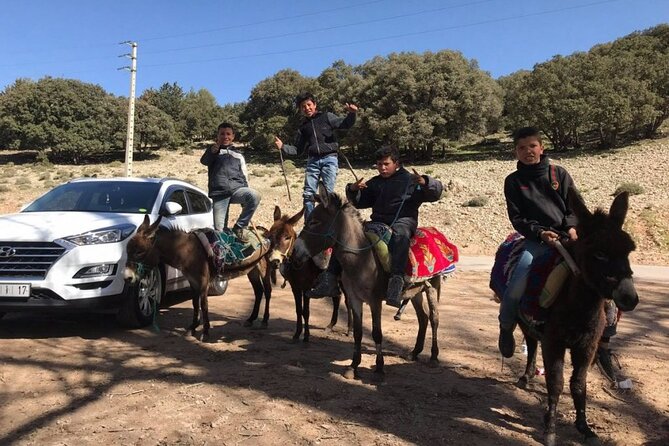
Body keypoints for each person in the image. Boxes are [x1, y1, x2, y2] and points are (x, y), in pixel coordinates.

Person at [308, 145, 443, 308]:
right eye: (379, 164)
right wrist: (353, 189)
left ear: (396, 163)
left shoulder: (411, 181)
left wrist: (426, 182)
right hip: (378, 222)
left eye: (386, 164)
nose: (382, 168)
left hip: (403, 221)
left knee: (400, 236)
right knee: (348, 237)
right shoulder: (375, 182)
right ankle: (329, 279)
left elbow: (435, 194)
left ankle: (396, 282)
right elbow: (360, 202)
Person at [498, 126, 578, 358]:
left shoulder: (558, 174)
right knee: (517, 281)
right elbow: (517, 218)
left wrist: (572, 227)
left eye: (532, 146)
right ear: (516, 152)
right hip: (537, 240)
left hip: (567, 236)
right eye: (521, 148)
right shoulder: (513, 182)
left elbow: (574, 206)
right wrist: (540, 233)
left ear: (542, 148)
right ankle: (506, 326)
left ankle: (605, 333)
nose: (527, 151)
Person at [274, 92, 358, 221]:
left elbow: (345, 124)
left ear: (314, 105)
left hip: (330, 159)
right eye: (303, 106)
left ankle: (327, 223)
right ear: (300, 109)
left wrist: (352, 114)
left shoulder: (327, 117)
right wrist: (283, 146)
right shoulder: (303, 127)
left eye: (309, 105)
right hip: (312, 161)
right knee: (308, 195)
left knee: (327, 195)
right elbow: (297, 149)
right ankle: (310, 224)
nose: (307, 108)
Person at [200, 122, 260, 241]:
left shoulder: (238, 155)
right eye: (222, 134)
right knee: (219, 232)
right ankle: (225, 253)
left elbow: (244, 175)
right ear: (217, 136)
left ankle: (239, 227)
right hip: (219, 193)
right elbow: (204, 161)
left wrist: (245, 196)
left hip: (237, 190)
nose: (225, 136)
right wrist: (212, 151)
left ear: (233, 136)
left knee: (254, 196)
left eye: (228, 134)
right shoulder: (213, 150)